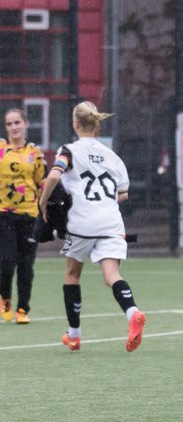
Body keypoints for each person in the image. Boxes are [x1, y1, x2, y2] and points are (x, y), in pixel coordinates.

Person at [37, 102, 146, 353]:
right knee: (111, 276)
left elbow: (54, 175)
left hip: (82, 223)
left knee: (73, 274)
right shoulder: (113, 156)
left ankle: (74, 336)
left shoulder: (70, 150)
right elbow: (123, 195)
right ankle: (133, 313)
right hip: (110, 222)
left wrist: (43, 203)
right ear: (97, 124)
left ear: (75, 124)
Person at [0, 109, 46, 324]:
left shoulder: (35, 154)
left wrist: (45, 211)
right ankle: (5, 299)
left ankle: (22, 309)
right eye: (9, 124)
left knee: (26, 264)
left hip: (29, 214)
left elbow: (42, 182)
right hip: (4, 214)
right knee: (7, 260)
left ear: (25, 123)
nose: (14, 127)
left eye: (17, 122)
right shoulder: (0, 149)